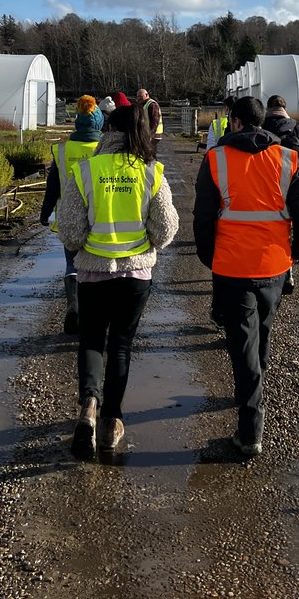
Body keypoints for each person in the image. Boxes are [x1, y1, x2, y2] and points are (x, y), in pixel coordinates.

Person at [193, 96, 299, 457]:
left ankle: (250, 430)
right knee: (262, 331)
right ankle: (252, 392)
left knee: (243, 343)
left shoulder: (216, 159)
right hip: (274, 266)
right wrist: (296, 252)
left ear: (235, 122)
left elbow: (202, 217)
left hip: (232, 267)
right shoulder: (289, 159)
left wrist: (208, 256)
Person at [58, 100, 179, 456]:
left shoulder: (86, 170)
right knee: (121, 346)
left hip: (94, 274)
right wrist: (147, 242)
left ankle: (88, 409)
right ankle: (112, 422)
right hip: (135, 275)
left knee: (92, 340)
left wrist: (88, 244)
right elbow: (166, 228)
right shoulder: (151, 171)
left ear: (107, 131)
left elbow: (69, 231)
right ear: (140, 133)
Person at [40, 95, 102, 334]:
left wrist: (45, 213)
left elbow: (53, 186)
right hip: (100, 218)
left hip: (69, 218)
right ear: (98, 124)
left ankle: (74, 306)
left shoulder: (62, 150)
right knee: (98, 267)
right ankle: (95, 314)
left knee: (72, 264)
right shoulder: (104, 148)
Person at [263, 95, 299, 295]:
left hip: (266, 185)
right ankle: (288, 274)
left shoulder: (262, 125)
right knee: (288, 228)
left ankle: (264, 267)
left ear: (268, 107)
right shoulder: (295, 127)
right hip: (290, 183)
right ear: (284, 107)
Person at [137, 88, 163, 156]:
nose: (139, 98)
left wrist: (150, 135)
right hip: (149, 134)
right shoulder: (144, 104)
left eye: (141, 96)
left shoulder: (152, 105)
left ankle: (152, 166)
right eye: (138, 97)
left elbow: (155, 122)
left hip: (153, 135)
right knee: (148, 154)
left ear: (146, 95)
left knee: (149, 155)